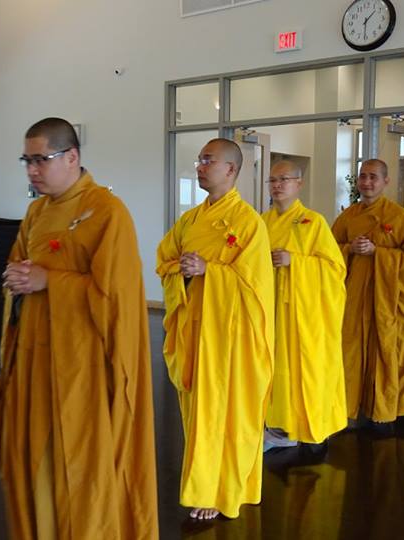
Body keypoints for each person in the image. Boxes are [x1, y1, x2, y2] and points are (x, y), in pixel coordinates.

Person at [0, 118, 158, 538]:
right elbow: (19, 266)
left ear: (72, 157)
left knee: (78, 467)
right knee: (31, 460)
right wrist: (17, 277)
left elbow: (115, 297)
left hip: (82, 366)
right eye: (26, 161)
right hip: (33, 360)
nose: (32, 171)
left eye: (40, 160)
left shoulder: (106, 212)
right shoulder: (36, 212)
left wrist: (51, 281)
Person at [157, 138, 274, 521]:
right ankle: (204, 481)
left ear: (231, 169)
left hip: (230, 337)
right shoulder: (190, 220)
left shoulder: (249, 222)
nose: (200, 166)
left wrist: (211, 271)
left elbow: (256, 287)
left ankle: (219, 488)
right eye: (199, 160)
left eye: (209, 160)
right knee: (198, 410)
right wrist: (181, 270)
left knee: (227, 411)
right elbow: (164, 258)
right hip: (195, 329)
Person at [261, 160, 347, 449]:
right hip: (268, 306)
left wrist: (294, 262)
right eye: (272, 180)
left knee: (298, 367)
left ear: (299, 184)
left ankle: (292, 428)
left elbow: (335, 269)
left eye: (283, 179)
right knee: (270, 366)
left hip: (300, 312)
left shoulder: (313, 222)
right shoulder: (261, 222)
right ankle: (273, 423)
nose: (277, 185)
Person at [331, 159, 404, 424]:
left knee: (386, 350)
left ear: (385, 181)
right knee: (349, 350)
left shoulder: (398, 216)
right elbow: (329, 251)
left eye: (373, 177)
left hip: (387, 301)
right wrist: (349, 249)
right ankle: (348, 408)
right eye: (363, 177)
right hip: (354, 298)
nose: (367, 182)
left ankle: (383, 409)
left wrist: (378, 253)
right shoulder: (348, 216)